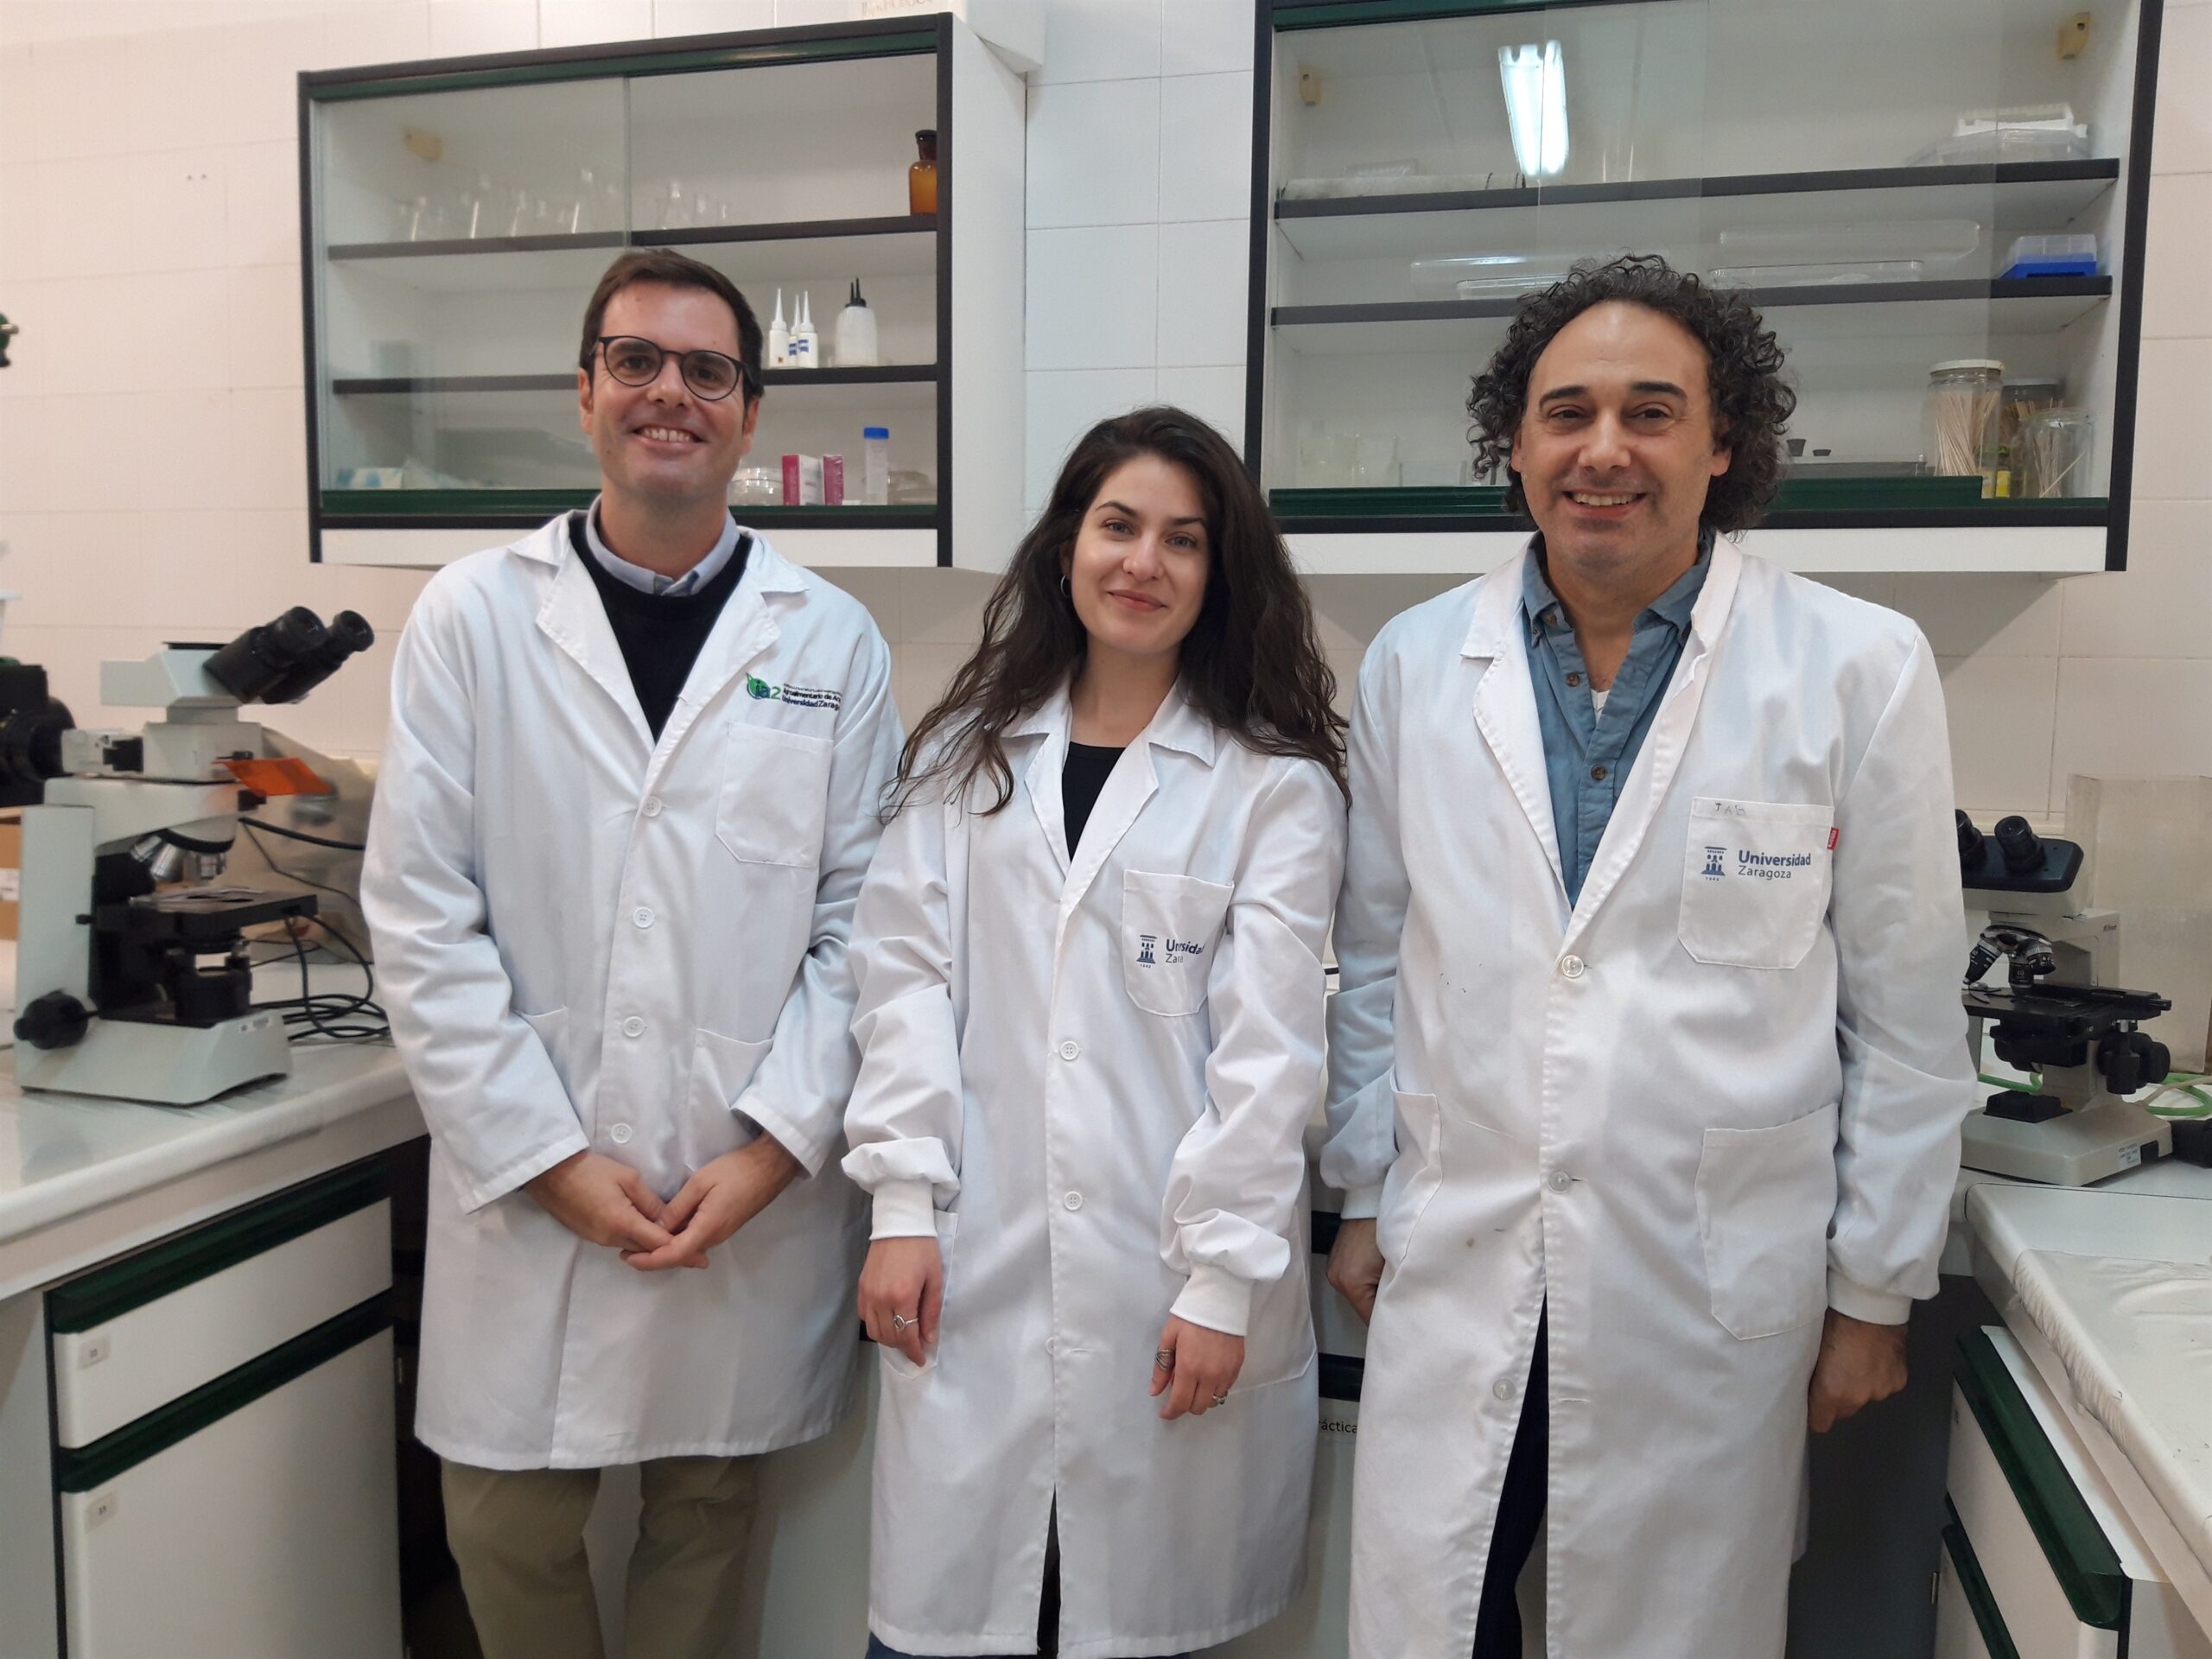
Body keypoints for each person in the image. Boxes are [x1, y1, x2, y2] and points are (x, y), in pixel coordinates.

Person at [1319, 254, 1975, 1659]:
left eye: (1652, 411)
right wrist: (1365, 1190)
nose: (1603, 449)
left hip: (1704, 1281)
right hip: (1463, 1249)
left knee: (1670, 1628)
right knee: (1435, 1619)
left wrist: (1874, 1291)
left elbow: (1910, 1014)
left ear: (1723, 442)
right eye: (1566, 413)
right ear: (1515, 444)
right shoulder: (1415, 663)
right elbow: (1373, 961)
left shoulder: (1856, 666)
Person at [361, 248, 901, 1659]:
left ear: (750, 412)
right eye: (637, 361)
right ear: (586, 391)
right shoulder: (474, 617)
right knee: (504, 1526)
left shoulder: (833, 643)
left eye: (707, 370)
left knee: (706, 1518)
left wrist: (773, 1151)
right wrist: (544, 1158)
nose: (671, 392)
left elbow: (867, 928)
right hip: (527, 1172)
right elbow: (418, 911)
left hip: (737, 1184)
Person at [842, 407, 1348, 1658]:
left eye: (1184, 539)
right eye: (1119, 525)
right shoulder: (963, 760)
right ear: (1068, 542)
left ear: (1220, 574)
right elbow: (901, 985)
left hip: (1165, 1284)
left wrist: (1221, 1280)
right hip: (975, 1260)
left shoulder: (1272, 787)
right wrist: (901, 1207)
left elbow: (1270, 1058)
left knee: (1129, 1621)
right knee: (949, 1626)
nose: (1143, 563)